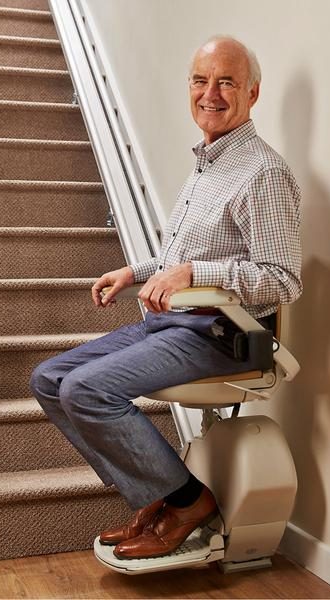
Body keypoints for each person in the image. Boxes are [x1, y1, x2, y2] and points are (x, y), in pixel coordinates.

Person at [30, 35, 302, 560]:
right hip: (174, 323)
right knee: (49, 379)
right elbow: (182, 261)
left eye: (227, 81)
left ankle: (187, 503)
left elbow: (282, 278)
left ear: (253, 92)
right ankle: (162, 496)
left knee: (86, 389)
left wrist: (191, 272)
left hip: (228, 335)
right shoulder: (207, 166)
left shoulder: (263, 173)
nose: (211, 93)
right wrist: (133, 271)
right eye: (201, 80)